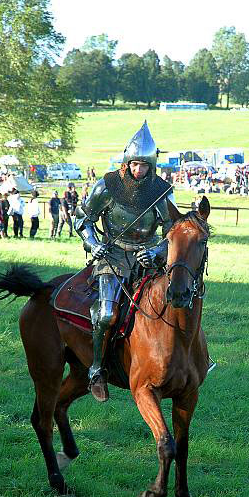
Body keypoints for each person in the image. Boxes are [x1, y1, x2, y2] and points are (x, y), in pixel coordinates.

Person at [74, 121, 175, 402]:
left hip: (148, 260)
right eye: (134, 164)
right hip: (113, 256)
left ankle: (189, 360)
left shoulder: (162, 193)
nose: (138, 170)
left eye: (143, 165)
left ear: (152, 166)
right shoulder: (107, 186)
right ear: (127, 162)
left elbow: (172, 233)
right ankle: (96, 369)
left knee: (177, 305)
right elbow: (82, 219)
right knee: (107, 313)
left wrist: (156, 253)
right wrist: (93, 244)